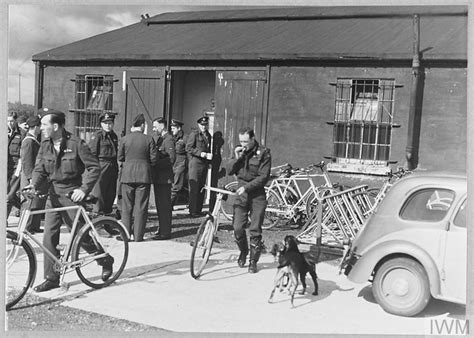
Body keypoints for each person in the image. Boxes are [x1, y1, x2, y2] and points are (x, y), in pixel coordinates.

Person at [26, 108, 111, 292]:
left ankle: (105, 260)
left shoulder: (76, 143)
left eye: (44, 124)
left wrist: (83, 189)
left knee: (81, 235)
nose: (41, 128)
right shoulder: (45, 144)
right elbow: (40, 168)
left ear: (55, 126)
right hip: (53, 195)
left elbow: (94, 168)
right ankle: (51, 278)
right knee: (49, 237)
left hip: (72, 195)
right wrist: (33, 184)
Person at [227, 127, 271, 273]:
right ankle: (243, 251)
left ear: (253, 139)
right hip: (242, 194)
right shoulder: (240, 151)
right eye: (241, 141)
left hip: (256, 194)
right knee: (237, 227)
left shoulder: (264, 153)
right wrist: (237, 157)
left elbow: (263, 177)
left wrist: (246, 188)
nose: (243, 144)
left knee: (255, 228)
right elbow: (229, 170)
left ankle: (253, 261)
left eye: (246, 141)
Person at [118, 114, 157, 242]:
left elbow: (120, 158)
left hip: (127, 175)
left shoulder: (124, 139)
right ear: (142, 125)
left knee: (126, 206)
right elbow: (154, 159)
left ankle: (125, 235)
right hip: (143, 176)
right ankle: (138, 236)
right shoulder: (149, 139)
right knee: (141, 206)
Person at [89, 112, 119, 215]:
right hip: (101, 166)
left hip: (112, 166)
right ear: (101, 124)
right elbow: (92, 154)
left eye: (110, 123)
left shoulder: (114, 136)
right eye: (105, 123)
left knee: (110, 193)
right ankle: (97, 219)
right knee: (99, 194)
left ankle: (107, 220)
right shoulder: (98, 136)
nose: (108, 125)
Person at [19, 115, 46, 233]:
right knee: (28, 202)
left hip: (35, 175)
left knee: (36, 201)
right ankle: (26, 227)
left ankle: (34, 226)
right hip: (29, 175)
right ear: (35, 127)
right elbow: (27, 161)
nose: (41, 128)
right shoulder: (29, 141)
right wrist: (31, 178)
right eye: (40, 126)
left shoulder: (33, 140)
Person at [150, 117, 175, 240]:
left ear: (162, 126)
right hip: (159, 178)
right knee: (160, 206)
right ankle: (162, 229)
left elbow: (171, 159)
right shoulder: (161, 139)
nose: (154, 129)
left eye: (155, 126)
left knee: (164, 206)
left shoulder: (169, 139)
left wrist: (155, 163)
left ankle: (165, 232)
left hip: (164, 179)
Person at [186, 116, 212, 217]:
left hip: (204, 164)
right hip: (195, 163)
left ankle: (198, 209)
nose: (204, 126)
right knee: (194, 188)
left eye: (205, 125)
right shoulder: (194, 134)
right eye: (202, 125)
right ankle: (192, 211)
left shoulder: (208, 135)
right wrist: (201, 154)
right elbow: (188, 148)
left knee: (201, 187)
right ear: (198, 125)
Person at [7, 111, 22, 217]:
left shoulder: (21, 134)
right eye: (7, 121)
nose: (10, 123)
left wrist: (18, 171)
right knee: (7, 192)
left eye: (12, 121)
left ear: (15, 120)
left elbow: (23, 154)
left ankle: (3, 221)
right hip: (5, 167)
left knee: (9, 194)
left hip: (16, 168)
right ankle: (24, 207)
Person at [170, 119, 187, 208]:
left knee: (176, 186)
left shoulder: (185, 138)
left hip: (181, 163)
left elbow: (188, 151)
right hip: (173, 163)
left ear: (179, 128)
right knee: (171, 184)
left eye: (173, 128)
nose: (172, 130)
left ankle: (170, 205)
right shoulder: (172, 137)